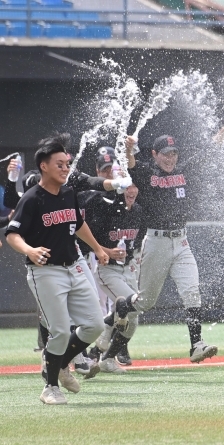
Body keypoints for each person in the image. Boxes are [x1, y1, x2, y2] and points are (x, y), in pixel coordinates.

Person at [3, 134, 131, 404]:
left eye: (67, 164)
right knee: (60, 331)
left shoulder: (68, 192)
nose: (65, 169)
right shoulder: (32, 198)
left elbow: (77, 223)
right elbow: (12, 235)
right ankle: (50, 387)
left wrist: (97, 248)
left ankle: (60, 363)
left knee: (94, 325)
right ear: (44, 166)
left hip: (75, 265)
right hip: (45, 271)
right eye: (59, 164)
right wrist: (29, 250)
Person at [124, 134, 217, 363]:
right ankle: (117, 312)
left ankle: (196, 345)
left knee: (192, 291)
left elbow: (206, 151)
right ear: (155, 154)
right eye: (165, 153)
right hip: (156, 241)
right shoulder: (148, 173)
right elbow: (131, 164)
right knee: (145, 302)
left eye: (174, 153)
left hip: (182, 241)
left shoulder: (182, 172)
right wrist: (128, 150)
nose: (170, 158)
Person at [80, 148, 143, 375]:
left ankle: (105, 356)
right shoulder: (100, 205)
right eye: (105, 170)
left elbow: (137, 240)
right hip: (105, 267)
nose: (131, 190)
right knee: (119, 305)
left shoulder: (137, 211)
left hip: (127, 268)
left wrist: (135, 256)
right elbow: (89, 241)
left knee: (133, 314)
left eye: (134, 186)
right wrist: (107, 250)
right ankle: (90, 352)